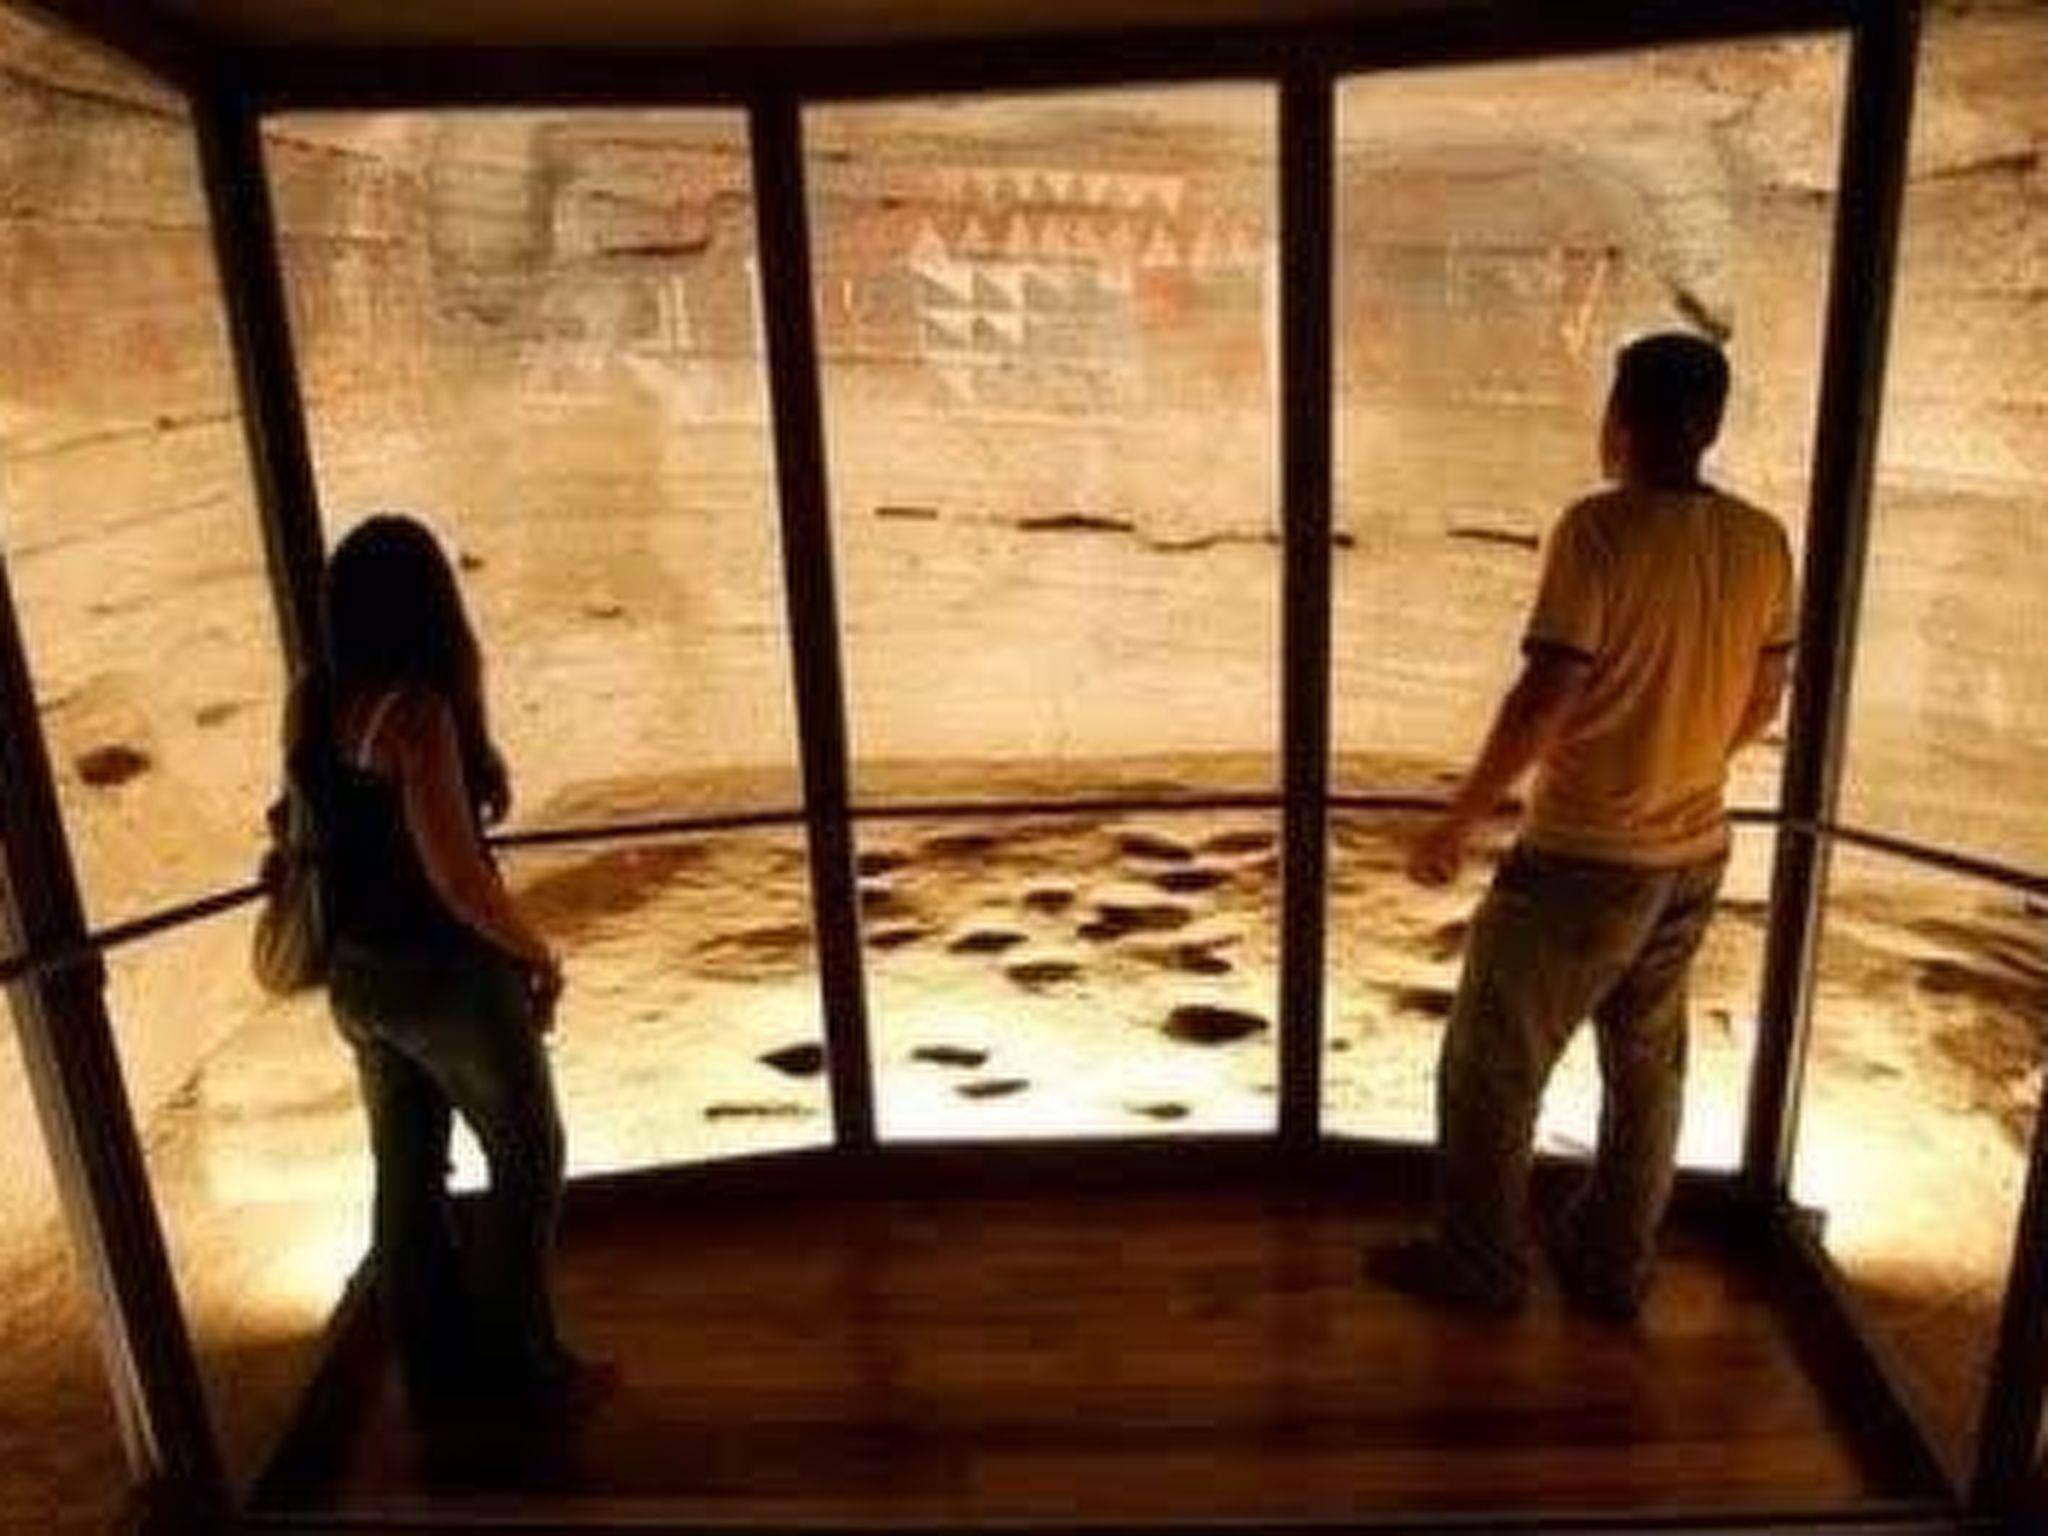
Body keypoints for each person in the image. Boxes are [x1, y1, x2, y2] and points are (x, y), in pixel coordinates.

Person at [1371, 332, 1796, 1321]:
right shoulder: (1762, 540)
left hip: (1581, 858)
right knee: (1647, 1073)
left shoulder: (1597, 531)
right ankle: (1611, 1264)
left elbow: (1544, 694)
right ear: (1710, 424)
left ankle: (1480, 1264)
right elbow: (1766, 693)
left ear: (1619, 419)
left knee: (1492, 1064)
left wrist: (1458, 821)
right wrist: (1686, 759)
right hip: (1692, 853)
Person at [289, 513, 585, 1416]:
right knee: (528, 1155)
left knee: (407, 1174)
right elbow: (457, 877)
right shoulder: (416, 716)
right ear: (431, 608)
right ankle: (519, 1369)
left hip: (360, 976)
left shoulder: (315, 701)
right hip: (443, 975)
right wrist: (538, 953)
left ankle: (437, 1380)